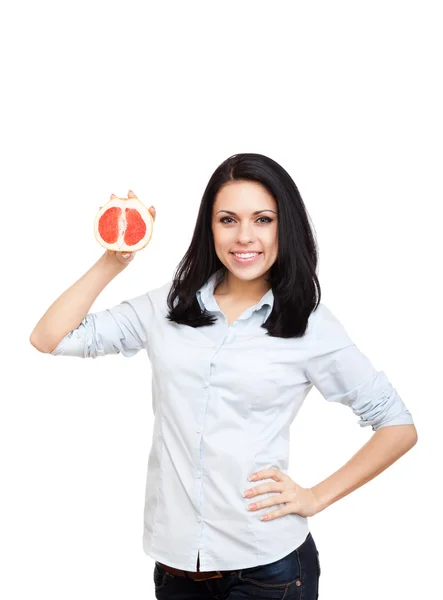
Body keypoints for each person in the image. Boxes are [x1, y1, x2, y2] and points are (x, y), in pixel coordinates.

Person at [30, 153, 417, 600]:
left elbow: (398, 425)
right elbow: (49, 337)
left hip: (269, 570)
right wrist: (113, 262)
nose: (245, 236)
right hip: (176, 570)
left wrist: (315, 497)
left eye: (263, 219)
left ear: (283, 227)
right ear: (208, 228)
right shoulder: (167, 307)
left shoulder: (310, 324)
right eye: (228, 219)